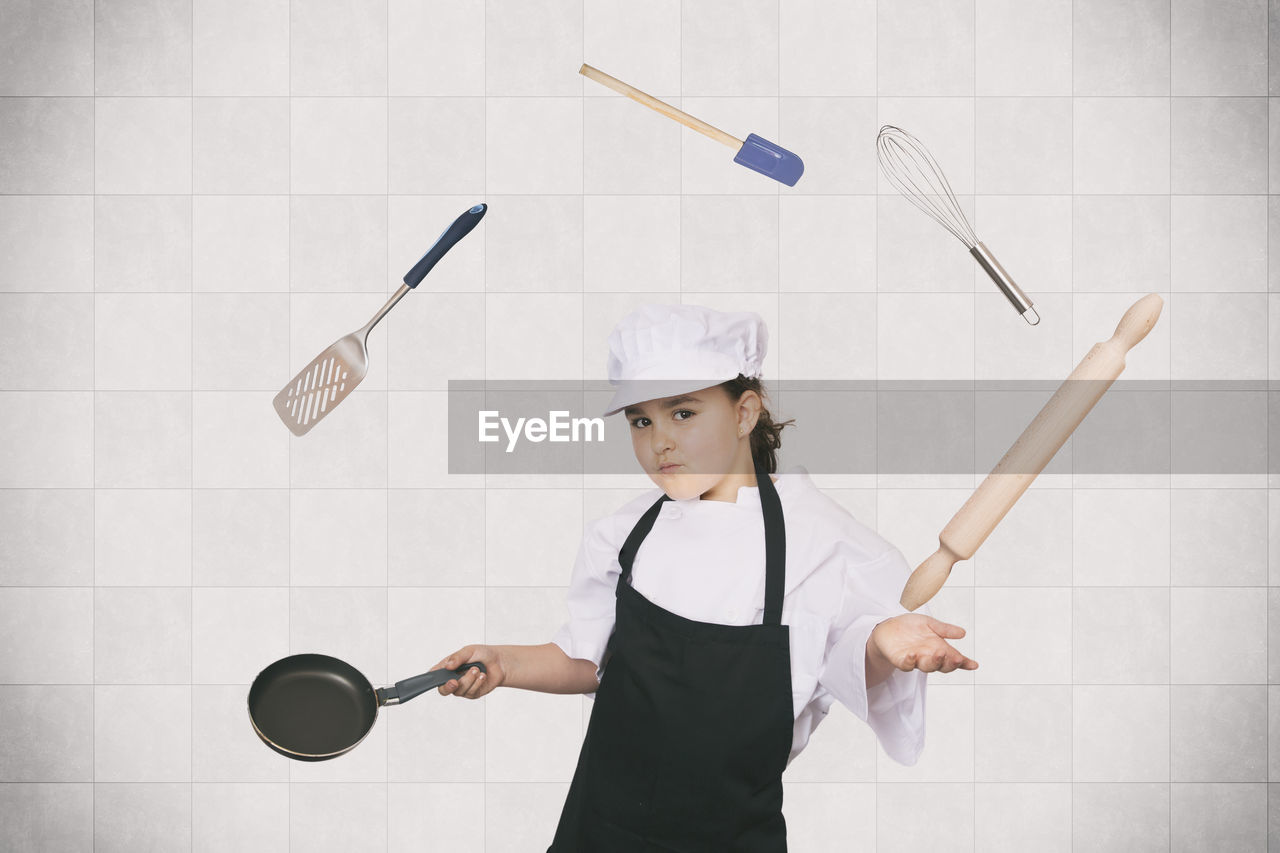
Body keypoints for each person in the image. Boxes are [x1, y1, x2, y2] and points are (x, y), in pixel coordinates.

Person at [428, 303, 978, 851]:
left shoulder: (824, 543)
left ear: (744, 413)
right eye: (641, 421)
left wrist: (882, 644)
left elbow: (841, 664)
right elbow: (589, 659)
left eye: (683, 413)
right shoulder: (624, 534)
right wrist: (504, 662)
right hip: (598, 832)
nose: (659, 441)